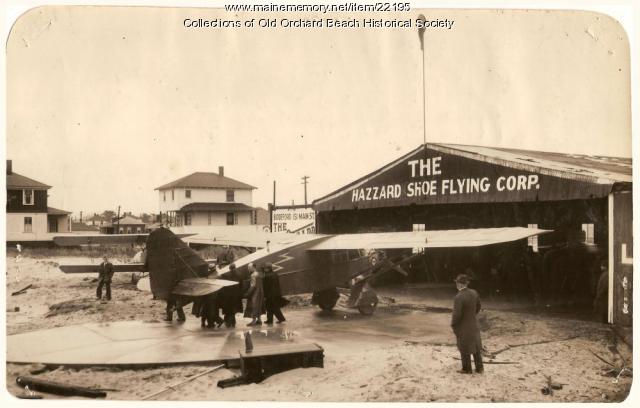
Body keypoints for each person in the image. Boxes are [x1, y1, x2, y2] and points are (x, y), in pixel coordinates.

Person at [451, 274, 484, 374]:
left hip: (464, 326)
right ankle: (480, 368)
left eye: (457, 282)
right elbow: (478, 306)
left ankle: (467, 369)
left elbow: (457, 315)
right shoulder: (474, 292)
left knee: (464, 346)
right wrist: (471, 316)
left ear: (460, 284)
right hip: (474, 324)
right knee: (476, 346)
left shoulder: (458, 297)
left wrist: (454, 325)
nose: (456, 284)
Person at [221, 263, 244, 327]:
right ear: (235, 267)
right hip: (236, 296)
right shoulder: (240, 274)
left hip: (228, 296)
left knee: (229, 310)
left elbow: (224, 286)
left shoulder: (226, 275)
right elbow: (242, 286)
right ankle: (233, 322)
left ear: (229, 268)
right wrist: (240, 294)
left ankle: (229, 322)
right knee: (233, 309)